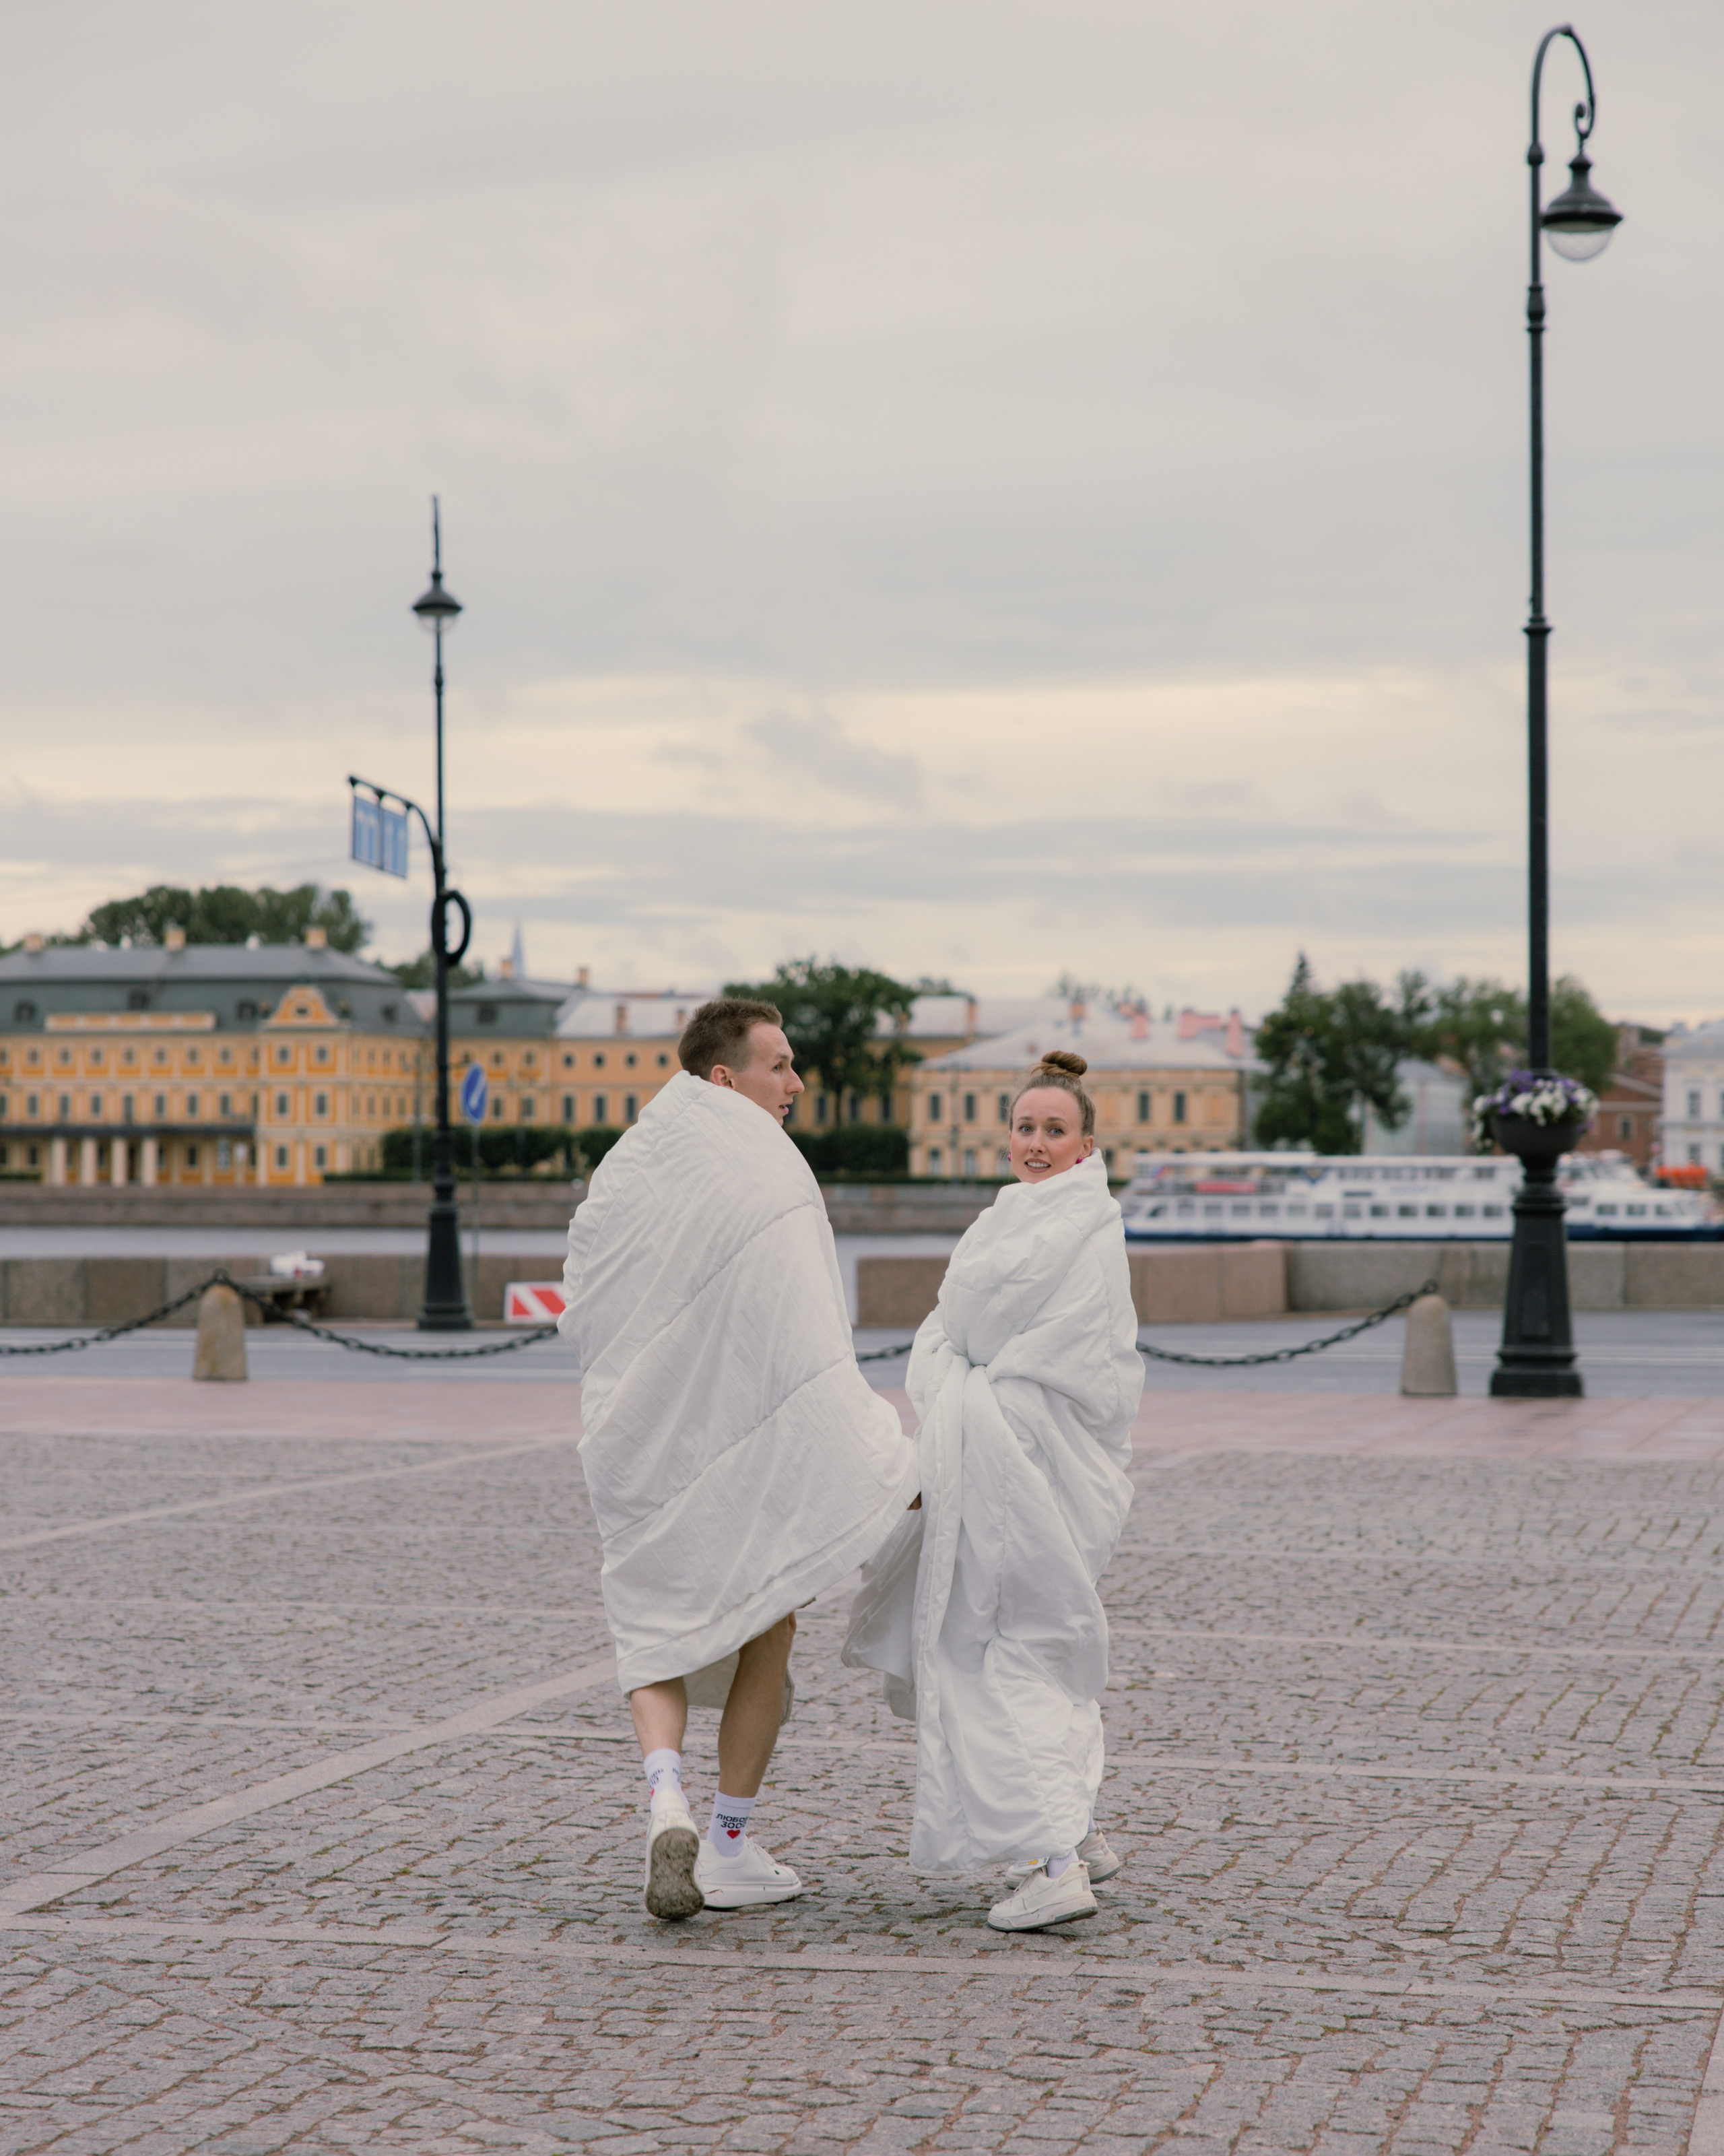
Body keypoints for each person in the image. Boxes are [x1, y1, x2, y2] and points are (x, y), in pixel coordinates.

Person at [560, 996, 918, 1922]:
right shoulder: (771, 1172)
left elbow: (590, 1293)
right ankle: (725, 1843)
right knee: (767, 1623)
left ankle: (663, 1794)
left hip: (643, 1444)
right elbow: (806, 1348)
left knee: (654, 1624)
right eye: (781, 1065)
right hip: (743, 1464)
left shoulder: (633, 1164)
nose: (797, 1084)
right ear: (726, 1078)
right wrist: (886, 1456)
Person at [843, 1049, 1143, 1932]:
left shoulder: (1059, 1229)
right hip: (1019, 1456)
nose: (1038, 1143)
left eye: (1056, 1130)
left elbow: (961, 1325)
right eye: (1025, 1127)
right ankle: (1075, 1831)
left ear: (1087, 1145)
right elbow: (960, 1328)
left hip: (1021, 1464)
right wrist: (955, 1354)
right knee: (1031, 1640)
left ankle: (1054, 1859)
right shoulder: (1037, 1217)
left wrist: (948, 1360)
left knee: (996, 1651)